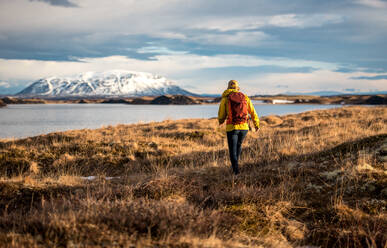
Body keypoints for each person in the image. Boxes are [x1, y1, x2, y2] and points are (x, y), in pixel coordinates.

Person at [218, 80, 259, 175]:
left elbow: (221, 114)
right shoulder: (245, 98)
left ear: (228, 88)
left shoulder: (226, 98)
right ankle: (236, 164)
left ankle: (236, 172)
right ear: (238, 88)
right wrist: (256, 124)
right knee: (238, 146)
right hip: (244, 128)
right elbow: (253, 111)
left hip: (232, 127)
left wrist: (221, 121)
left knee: (232, 150)